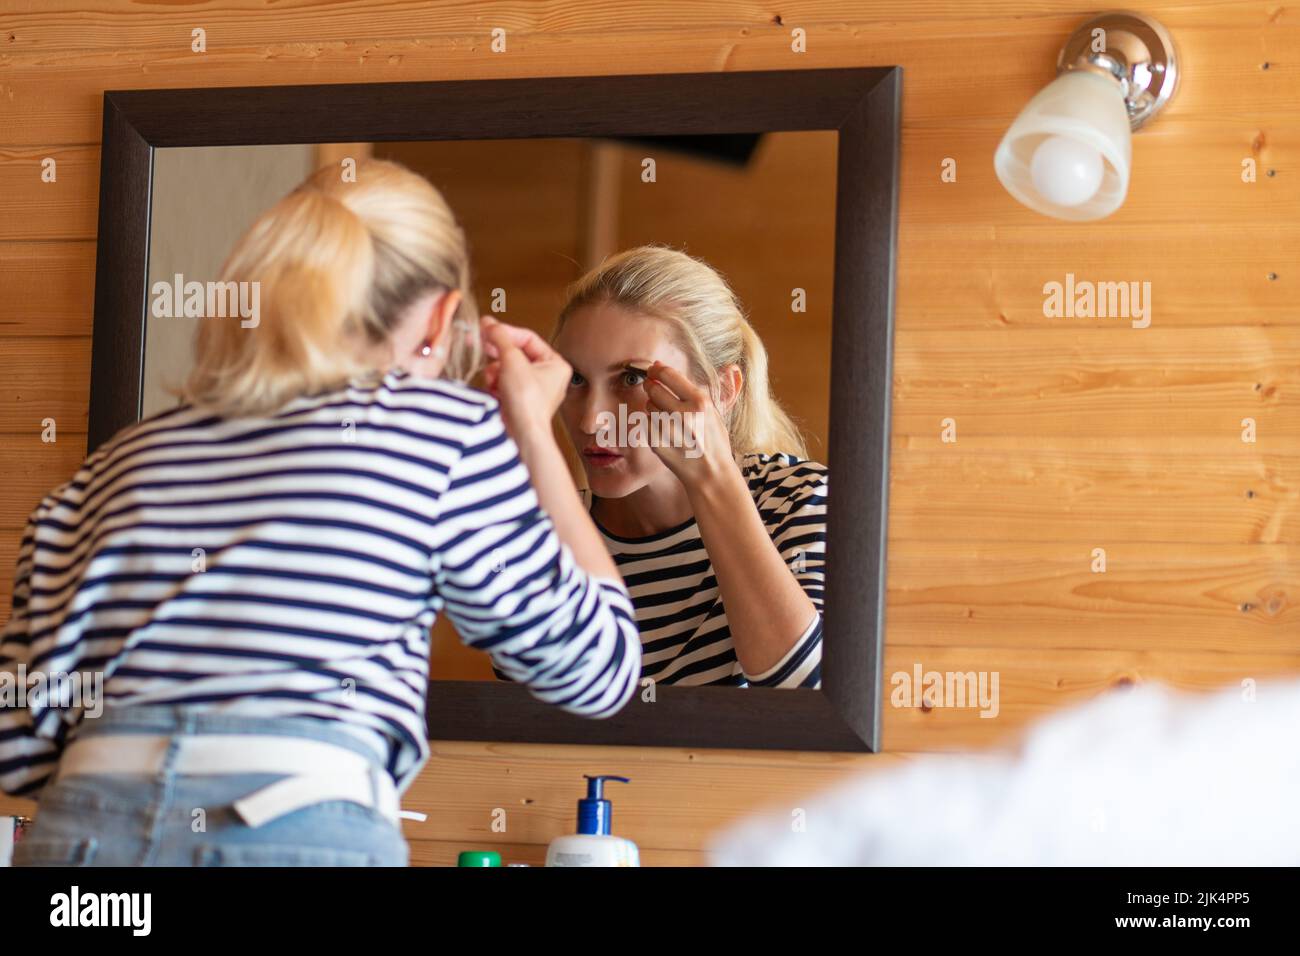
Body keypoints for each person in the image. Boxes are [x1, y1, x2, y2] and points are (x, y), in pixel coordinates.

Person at [0, 158, 641, 866]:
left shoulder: (114, 463)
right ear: (438, 317)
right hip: (294, 832)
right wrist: (531, 429)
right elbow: (599, 668)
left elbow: (18, 741)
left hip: (82, 844)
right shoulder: (440, 428)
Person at [495, 244, 826, 689]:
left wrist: (710, 478)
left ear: (723, 391)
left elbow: (809, 693)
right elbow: (540, 725)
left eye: (631, 379)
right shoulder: (548, 537)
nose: (592, 420)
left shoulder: (799, 503)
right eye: (575, 379)